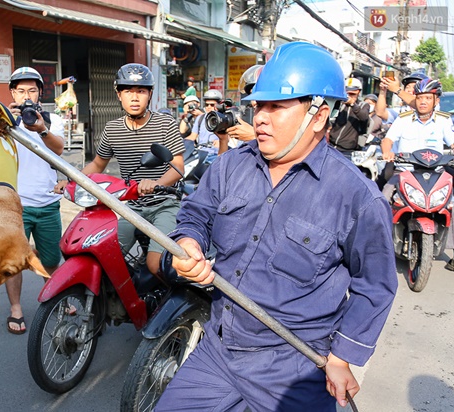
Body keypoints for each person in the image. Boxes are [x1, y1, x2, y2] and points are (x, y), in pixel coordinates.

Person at [155, 42, 397, 411]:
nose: (260, 118)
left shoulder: (357, 197)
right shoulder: (228, 167)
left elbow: (375, 286)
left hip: (295, 364)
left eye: (276, 107)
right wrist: (188, 242)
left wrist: (343, 356)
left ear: (318, 115)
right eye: (257, 106)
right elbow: (195, 214)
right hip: (219, 348)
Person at [55, 63, 184, 276]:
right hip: (131, 208)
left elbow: (178, 166)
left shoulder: (165, 124)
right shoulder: (112, 129)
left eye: (141, 91)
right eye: (128, 91)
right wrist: (71, 181)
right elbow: (97, 164)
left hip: (165, 204)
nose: (135, 98)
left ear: (150, 94)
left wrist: (156, 184)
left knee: (155, 264)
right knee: (102, 254)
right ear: (118, 94)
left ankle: (173, 306)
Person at [4, 67, 65, 334]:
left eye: (31, 90)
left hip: (48, 202)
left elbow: (59, 149)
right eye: (20, 90)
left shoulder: (52, 119)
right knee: (13, 259)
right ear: (12, 93)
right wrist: (4, 121)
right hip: (15, 204)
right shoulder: (3, 120)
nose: (26, 96)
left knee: (51, 258)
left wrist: (41, 129)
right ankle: (15, 308)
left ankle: (53, 295)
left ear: (40, 92)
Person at [380, 78, 454, 199]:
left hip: (436, 174)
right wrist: (387, 152)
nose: (423, 102)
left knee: (451, 204)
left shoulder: (444, 120)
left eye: (428, 98)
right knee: (385, 196)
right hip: (405, 172)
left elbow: (453, 144)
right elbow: (387, 140)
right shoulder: (403, 119)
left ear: (436, 101)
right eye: (419, 98)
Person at [328, 77, 370, 152]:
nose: (350, 96)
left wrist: (352, 104)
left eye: (352, 94)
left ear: (358, 92)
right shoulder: (339, 103)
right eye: (348, 93)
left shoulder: (363, 105)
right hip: (331, 143)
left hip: (348, 148)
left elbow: (364, 117)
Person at [189, 89, 222, 162]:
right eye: (207, 105)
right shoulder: (200, 118)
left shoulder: (223, 118)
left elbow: (230, 136)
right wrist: (181, 142)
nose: (209, 107)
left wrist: (221, 142)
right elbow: (192, 136)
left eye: (212, 105)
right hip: (201, 154)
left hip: (216, 154)